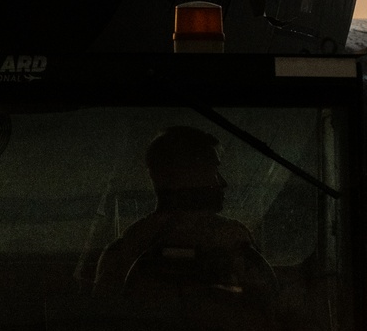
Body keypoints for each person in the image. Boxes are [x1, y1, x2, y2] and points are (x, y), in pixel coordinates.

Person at [82, 125, 274, 302]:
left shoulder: (125, 249)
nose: (222, 183)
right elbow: (266, 308)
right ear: (182, 176)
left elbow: (105, 322)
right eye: (212, 170)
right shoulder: (232, 239)